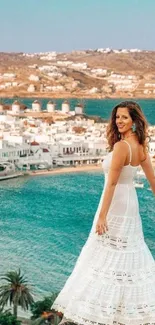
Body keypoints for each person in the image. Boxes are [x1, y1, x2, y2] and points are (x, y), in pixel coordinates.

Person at [51, 101, 155, 325]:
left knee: (102, 254)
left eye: (124, 117)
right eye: (117, 117)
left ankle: (97, 308)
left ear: (135, 120)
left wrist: (102, 216)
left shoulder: (121, 147)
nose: (119, 121)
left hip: (115, 205)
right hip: (131, 206)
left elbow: (112, 184)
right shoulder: (140, 146)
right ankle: (123, 309)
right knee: (127, 253)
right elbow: (153, 182)